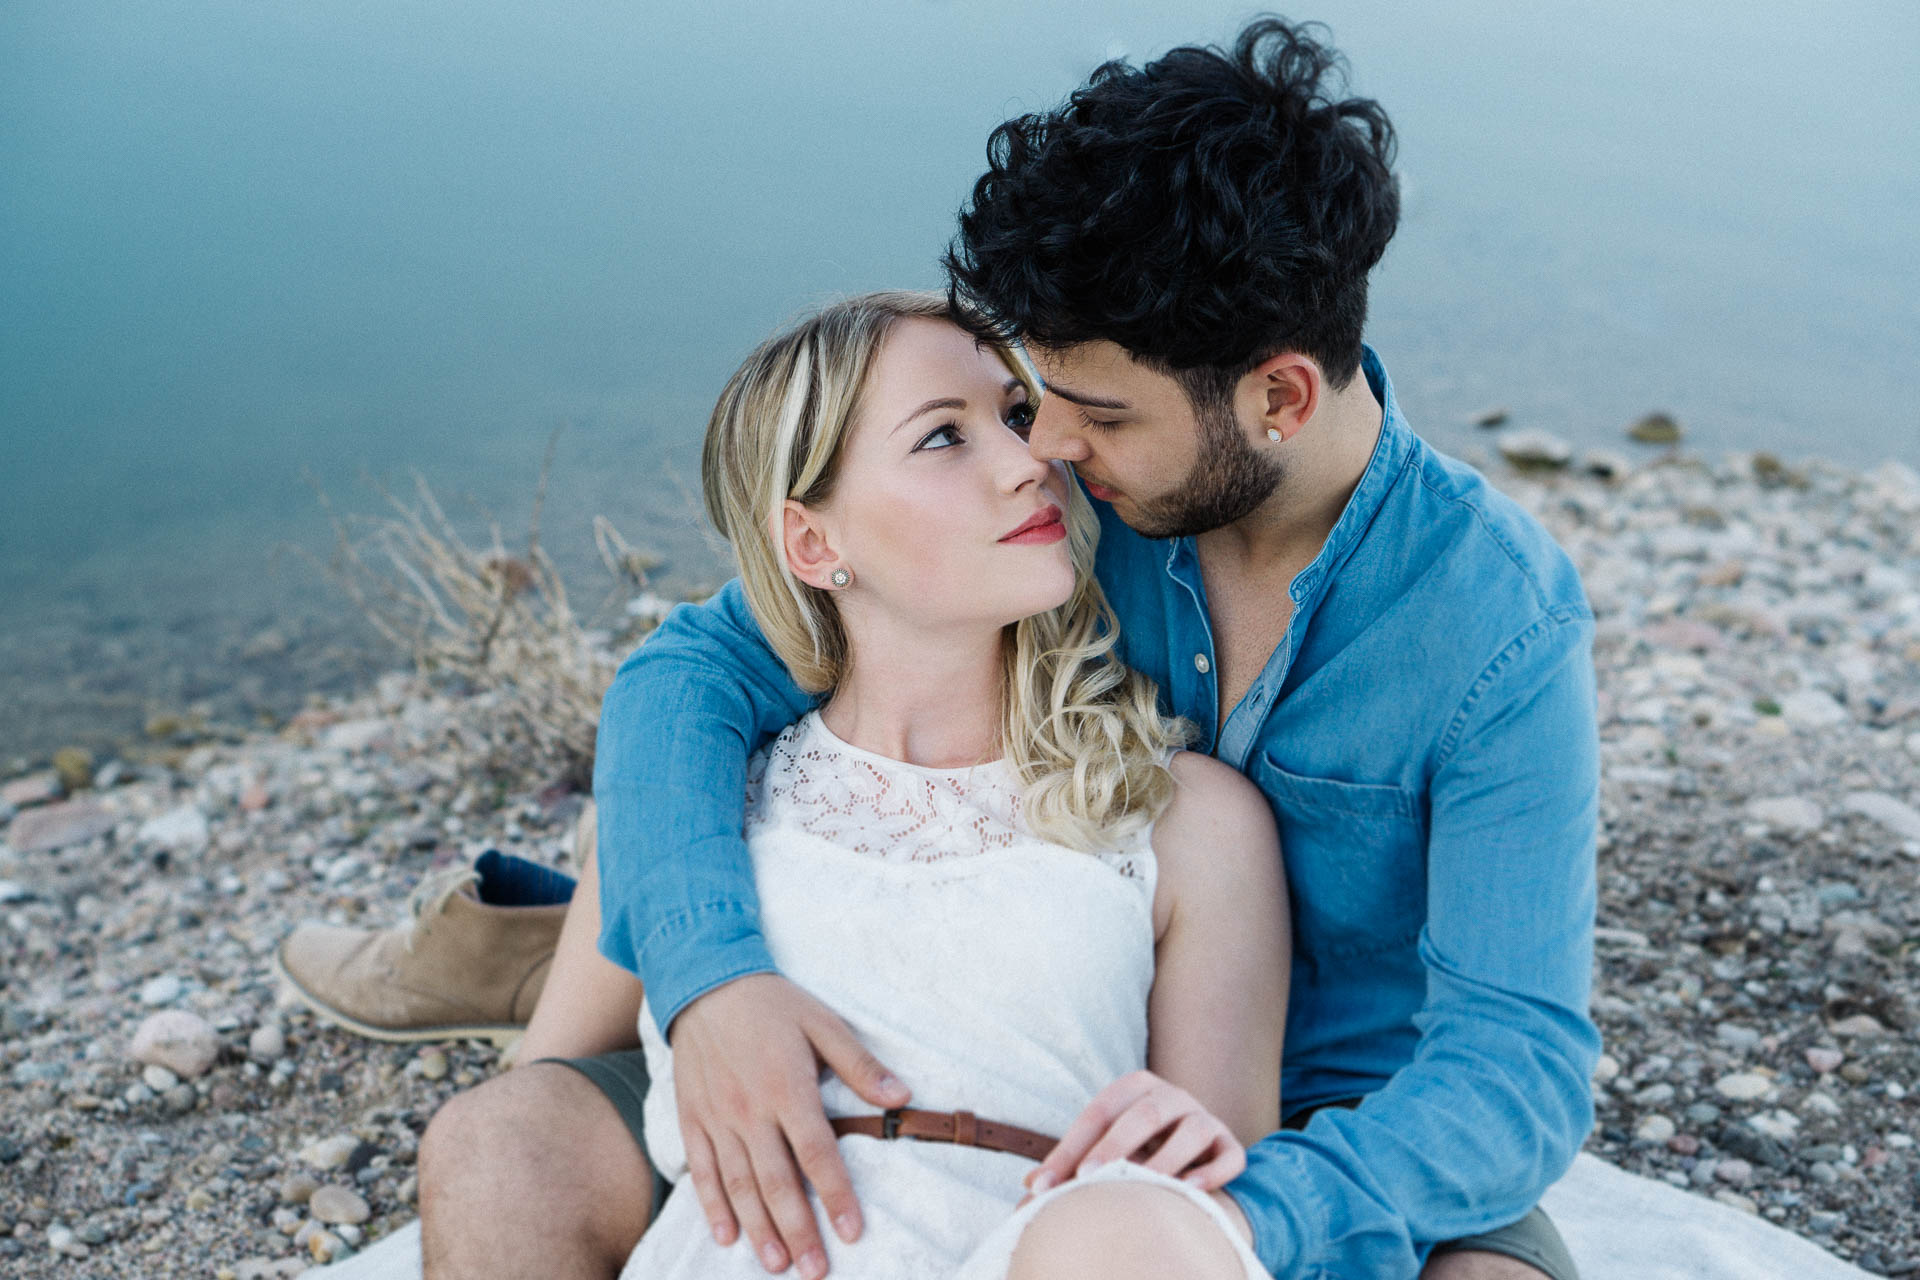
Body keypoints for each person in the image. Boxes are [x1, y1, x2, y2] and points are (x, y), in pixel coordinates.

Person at [378, 17, 1599, 1280]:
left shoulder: (1496, 623)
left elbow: (1515, 1064)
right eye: (1035, 392)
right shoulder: (1057, 508)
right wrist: (711, 977)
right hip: (935, 1049)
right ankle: (550, 956)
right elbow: (681, 682)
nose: (1048, 446)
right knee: (504, 1146)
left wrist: (1249, 1206)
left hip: (1343, 1135)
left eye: (1097, 412)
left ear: (1279, 398)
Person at [410, 291, 1292, 1279]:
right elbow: (542, 1097)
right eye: (942, 438)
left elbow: (1223, 1175)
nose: (1025, 460)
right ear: (815, 544)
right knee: (491, 1135)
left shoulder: (1185, 817)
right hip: (738, 1253)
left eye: (1013, 413)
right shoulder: (697, 810)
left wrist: (1184, 1146)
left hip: (1036, 1249)